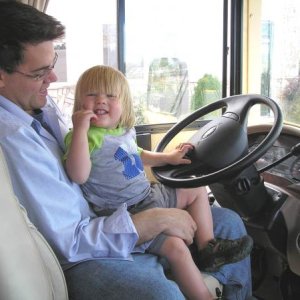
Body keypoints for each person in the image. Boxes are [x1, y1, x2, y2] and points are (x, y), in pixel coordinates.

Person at [0, 1, 253, 299]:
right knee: (161, 294)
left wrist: (157, 192)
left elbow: (118, 154)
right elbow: (68, 242)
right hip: (85, 254)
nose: (53, 79)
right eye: (41, 72)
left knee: (230, 224)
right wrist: (149, 221)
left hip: (118, 215)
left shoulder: (36, 102)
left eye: (53, 64)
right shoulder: (13, 142)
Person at [63, 65, 253, 299]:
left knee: (194, 186)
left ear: (123, 104)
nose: (101, 100)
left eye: (110, 95)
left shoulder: (123, 131)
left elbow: (139, 154)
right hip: (127, 213)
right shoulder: (82, 137)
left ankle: (208, 247)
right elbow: (78, 174)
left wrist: (168, 157)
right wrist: (81, 130)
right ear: (80, 102)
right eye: (92, 94)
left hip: (148, 195)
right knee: (176, 248)